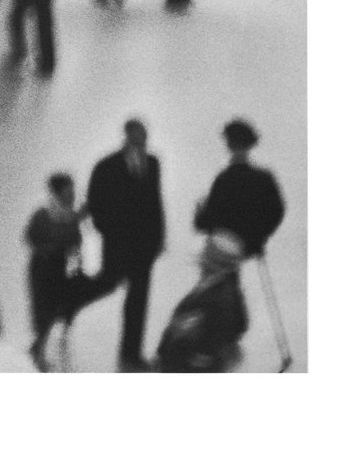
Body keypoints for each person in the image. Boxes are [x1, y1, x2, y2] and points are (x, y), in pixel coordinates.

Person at [78, 117, 167, 370]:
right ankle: (68, 303)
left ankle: (132, 353)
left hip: (144, 246)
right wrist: (110, 231)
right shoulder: (107, 166)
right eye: (138, 136)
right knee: (108, 282)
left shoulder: (153, 163)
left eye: (144, 137)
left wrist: (159, 237)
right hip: (118, 243)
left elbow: (155, 202)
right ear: (127, 136)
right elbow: (96, 204)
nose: (142, 141)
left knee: (138, 299)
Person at [156, 231, 250, 373]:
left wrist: (163, 357)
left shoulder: (208, 302)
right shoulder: (228, 289)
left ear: (211, 264)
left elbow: (180, 337)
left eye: (205, 258)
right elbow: (241, 325)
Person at [194, 118, 286, 259]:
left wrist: (200, 215)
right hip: (251, 248)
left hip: (223, 249)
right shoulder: (264, 179)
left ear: (229, 144)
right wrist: (258, 238)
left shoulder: (224, 179)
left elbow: (208, 220)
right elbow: (276, 212)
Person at [24, 172, 88, 371]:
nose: (72, 195)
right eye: (68, 191)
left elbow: (76, 245)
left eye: (73, 191)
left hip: (62, 270)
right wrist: (58, 243)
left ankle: (48, 354)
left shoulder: (72, 216)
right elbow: (31, 238)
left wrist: (76, 267)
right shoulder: (43, 214)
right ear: (57, 192)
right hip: (42, 270)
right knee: (43, 313)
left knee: (60, 314)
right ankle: (38, 358)